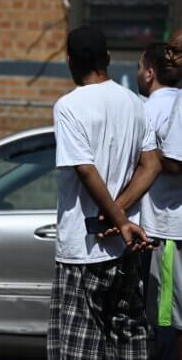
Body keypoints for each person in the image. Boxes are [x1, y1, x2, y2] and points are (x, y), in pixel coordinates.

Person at [48, 26, 160, 360]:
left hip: (83, 246)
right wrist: (121, 216)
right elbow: (151, 164)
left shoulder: (68, 106)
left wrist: (115, 218)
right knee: (126, 341)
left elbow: (84, 168)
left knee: (78, 348)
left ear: (69, 61)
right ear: (107, 58)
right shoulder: (135, 102)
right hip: (125, 247)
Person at [135, 42, 182, 360]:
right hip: (161, 226)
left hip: (164, 226)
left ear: (150, 73)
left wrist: (149, 158)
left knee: (166, 316)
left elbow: (175, 163)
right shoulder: (174, 104)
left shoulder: (146, 109)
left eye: (139, 68)